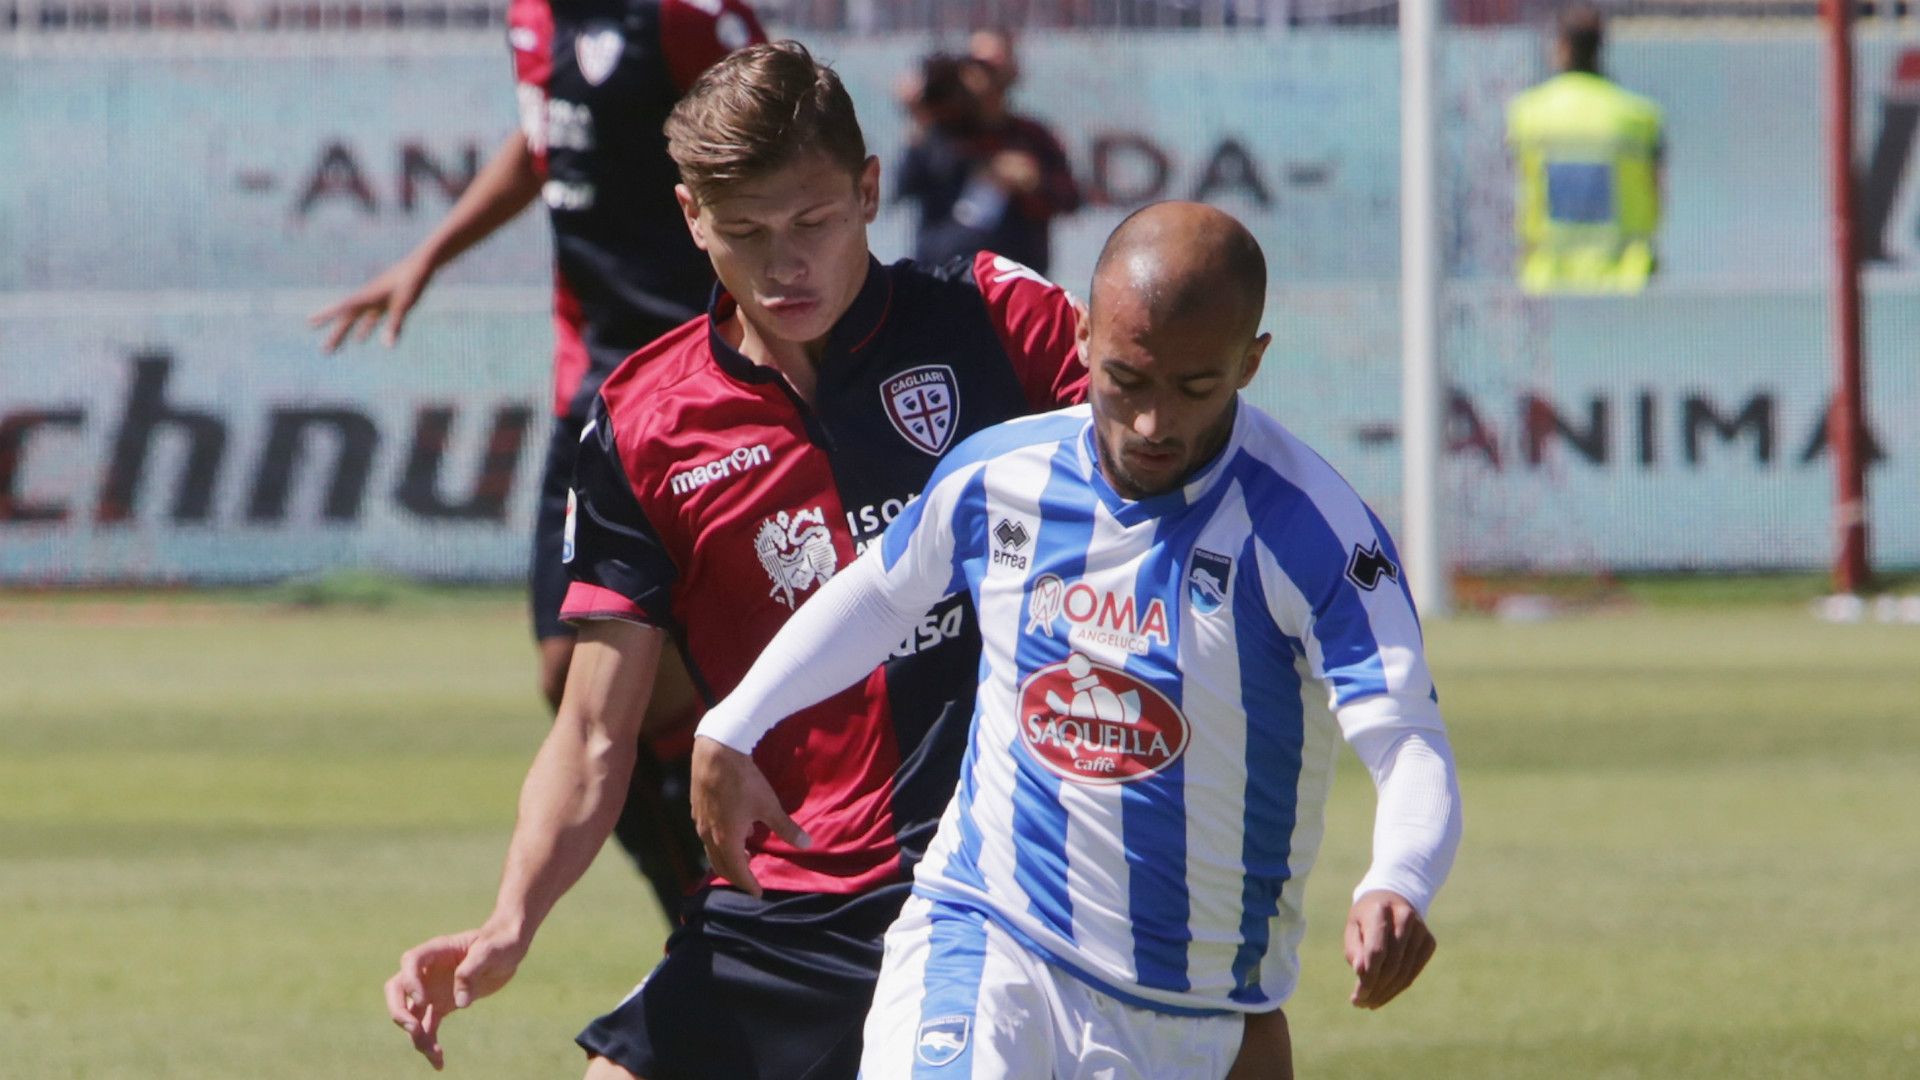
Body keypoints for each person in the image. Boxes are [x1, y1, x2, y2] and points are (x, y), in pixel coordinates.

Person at [378, 41, 1092, 1079]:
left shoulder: (996, 319)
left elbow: (1172, 448)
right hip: (793, 906)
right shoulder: (645, 424)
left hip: (1000, 878)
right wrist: (509, 922)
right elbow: (590, 733)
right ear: (691, 220)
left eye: (813, 222)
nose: (784, 264)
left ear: (869, 191)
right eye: (746, 232)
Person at [691, 201, 1464, 1079]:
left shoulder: (1316, 533)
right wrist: (735, 721)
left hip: (1191, 1012)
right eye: (1126, 380)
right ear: (1085, 333)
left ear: (1252, 361)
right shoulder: (999, 475)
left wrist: (1398, 877)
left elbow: (1407, 740)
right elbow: (880, 595)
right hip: (986, 936)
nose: (1153, 424)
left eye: (1196, 387)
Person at [309, 0, 766, 917]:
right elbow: (542, 145)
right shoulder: (532, 19)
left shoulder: (683, 22)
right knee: (572, 674)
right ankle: (706, 917)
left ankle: (759, 912)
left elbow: (780, 158)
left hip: (706, 382)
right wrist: (429, 255)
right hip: (594, 386)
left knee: (704, 672)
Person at [1506, 3, 1664, 294]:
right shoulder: (1638, 117)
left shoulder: (1527, 115)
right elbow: (1658, 191)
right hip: (1627, 281)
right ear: (1600, 47)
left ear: (1562, 48)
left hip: (1547, 281)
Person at [896, 29, 1081, 276]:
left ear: (1013, 72)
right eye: (975, 65)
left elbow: (1070, 198)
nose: (984, 77)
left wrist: (1034, 182)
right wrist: (918, 119)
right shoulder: (939, 134)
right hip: (944, 283)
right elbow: (903, 186)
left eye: (993, 67)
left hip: (1016, 286)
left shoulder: (1031, 137)